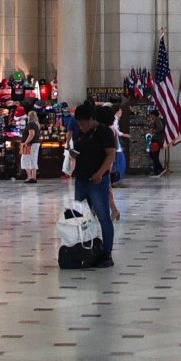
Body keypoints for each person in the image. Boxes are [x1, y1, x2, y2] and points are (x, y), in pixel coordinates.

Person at [71, 103, 115, 265]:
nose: (81, 127)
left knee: (103, 216)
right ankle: (85, 249)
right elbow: (77, 151)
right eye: (79, 125)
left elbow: (110, 155)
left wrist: (100, 173)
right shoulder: (80, 133)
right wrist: (72, 154)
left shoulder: (105, 132)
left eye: (83, 124)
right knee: (80, 217)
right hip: (81, 180)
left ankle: (107, 253)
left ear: (91, 120)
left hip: (97, 181)